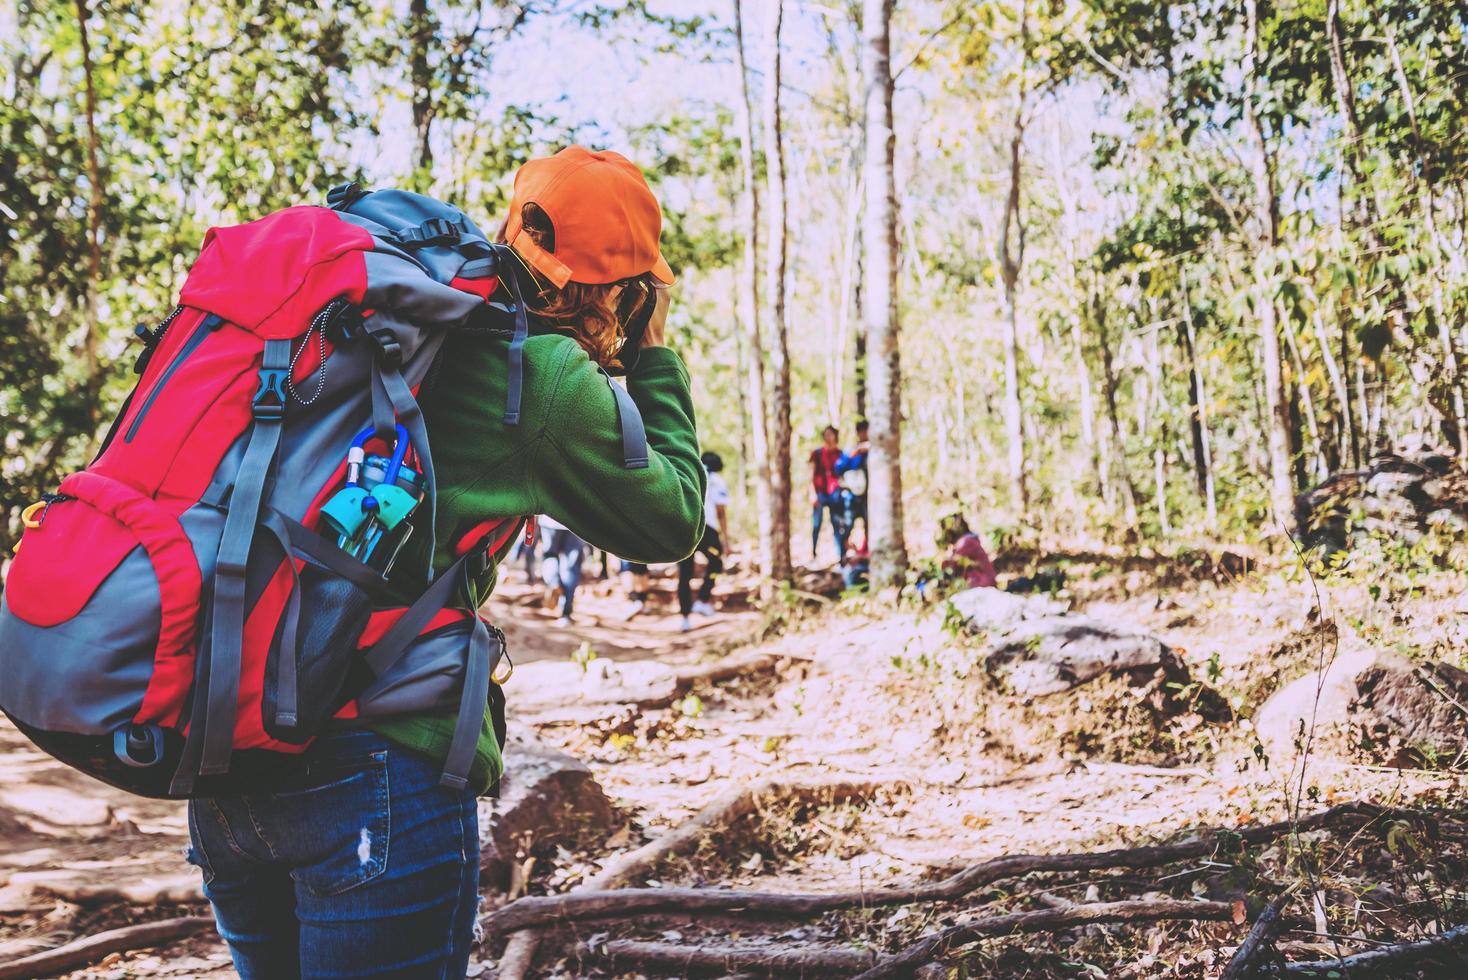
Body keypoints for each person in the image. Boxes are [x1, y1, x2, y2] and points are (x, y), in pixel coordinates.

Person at [185, 146, 704, 979]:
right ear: (616, 286)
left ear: (515, 223)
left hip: (225, 756)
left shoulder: (376, 321)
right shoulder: (537, 377)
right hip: (374, 773)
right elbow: (673, 516)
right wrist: (653, 356)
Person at [677, 450, 730, 631]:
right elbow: (721, 512)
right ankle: (703, 598)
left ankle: (685, 617)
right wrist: (726, 540)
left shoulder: (690, 475)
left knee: (685, 572)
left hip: (686, 529)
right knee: (716, 564)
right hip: (708, 529)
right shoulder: (717, 481)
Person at [809, 425, 849, 561]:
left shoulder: (840, 454)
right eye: (826, 434)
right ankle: (814, 554)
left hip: (835, 494)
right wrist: (812, 493)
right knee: (816, 524)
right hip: (820, 493)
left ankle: (841, 557)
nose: (828, 437)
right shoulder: (817, 454)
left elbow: (844, 474)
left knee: (837, 525)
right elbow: (811, 475)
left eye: (831, 434)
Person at [538, 515, 586, 626]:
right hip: (575, 522)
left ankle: (553, 582)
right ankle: (566, 613)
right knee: (571, 565)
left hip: (549, 519)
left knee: (550, 555)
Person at [836, 419, 869, 538]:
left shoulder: (876, 450)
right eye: (862, 431)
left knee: (869, 522)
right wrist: (853, 455)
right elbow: (839, 468)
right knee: (848, 523)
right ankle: (845, 552)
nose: (865, 434)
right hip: (853, 494)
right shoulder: (852, 450)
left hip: (870, 495)